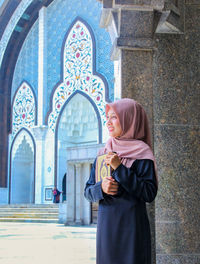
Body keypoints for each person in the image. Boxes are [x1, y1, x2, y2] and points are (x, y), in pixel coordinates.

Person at [84, 98, 158, 264]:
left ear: (129, 119)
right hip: (107, 230)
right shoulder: (104, 153)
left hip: (132, 230)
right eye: (107, 117)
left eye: (114, 117)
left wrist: (120, 169)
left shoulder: (142, 154)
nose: (108, 122)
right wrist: (101, 188)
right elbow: (88, 191)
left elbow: (149, 193)